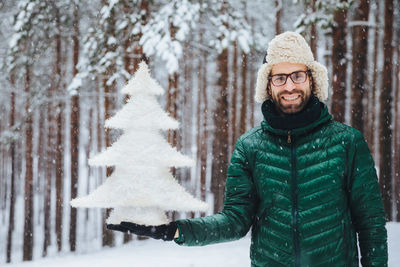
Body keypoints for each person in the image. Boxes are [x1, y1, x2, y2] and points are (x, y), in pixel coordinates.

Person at [107, 31, 388, 266]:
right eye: (279, 78)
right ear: (268, 85)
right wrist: (175, 230)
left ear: (312, 79)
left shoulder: (347, 142)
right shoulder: (250, 147)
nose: (289, 86)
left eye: (297, 76)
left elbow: (371, 225)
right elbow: (234, 221)